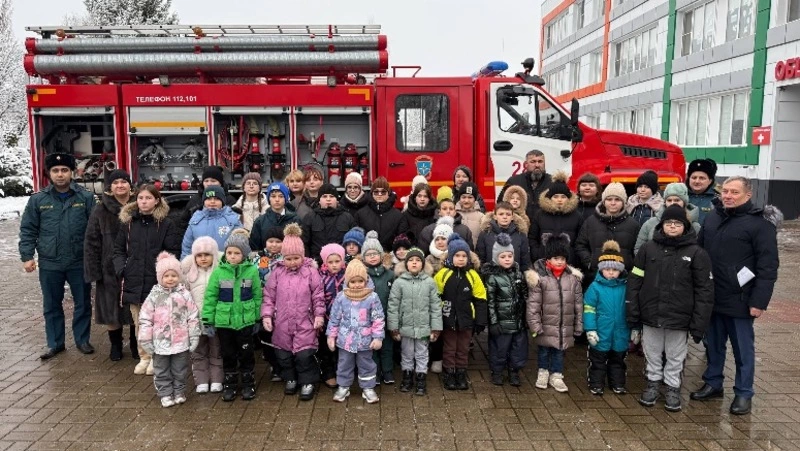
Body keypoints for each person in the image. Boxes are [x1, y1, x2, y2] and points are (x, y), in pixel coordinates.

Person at [690, 176, 781, 415]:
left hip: (741, 299)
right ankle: (713, 382)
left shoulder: (760, 224)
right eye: (725, 191)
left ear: (748, 195)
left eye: (734, 192)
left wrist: (759, 302)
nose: (728, 196)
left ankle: (743, 392)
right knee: (713, 345)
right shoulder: (713, 217)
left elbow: (768, 267)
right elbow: (699, 252)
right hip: (712, 296)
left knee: (742, 350)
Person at [628, 205, 714, 412]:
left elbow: (704, 290)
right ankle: (652, 383)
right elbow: (635, 281)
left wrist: (699, 323)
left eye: (677, 223)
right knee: (652, 351)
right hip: (651, 313)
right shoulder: (648, 249)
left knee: (676, 354)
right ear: (662, 225)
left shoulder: (696, 253)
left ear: (685, 226)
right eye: (668, 223)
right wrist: (633, 310)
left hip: (680, 317)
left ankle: (673, 387)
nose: (672, 226)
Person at [19, 153, 97, 360]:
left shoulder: (86, 198)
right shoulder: (38, 200)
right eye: (55, 170)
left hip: (78, 261)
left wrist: (95, 257)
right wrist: (27, 256)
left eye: (64, 170)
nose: (60, 174)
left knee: (83, 303)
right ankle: (55, 343)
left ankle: (82, 340)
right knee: (52, 304)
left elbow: (95, 231)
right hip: (50, 262)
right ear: (49, 173)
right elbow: (28, 230)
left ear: (72, 172)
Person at [114, 185, 182, 375]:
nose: (144, 202)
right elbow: (118, 250)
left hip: (156, 281)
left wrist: (164, 272)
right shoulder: (128, 223)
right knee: (140, 323)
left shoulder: (166, 224)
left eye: (148, 198)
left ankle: (157, 358)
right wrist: (122, 268)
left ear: (157, 200)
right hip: (133, 280)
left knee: (158, 322)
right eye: (140, 198)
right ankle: (144, 356)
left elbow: (172, 251)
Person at [262, 223, 326, 401]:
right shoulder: (277, 273)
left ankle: (307, 381)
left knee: (304, 354)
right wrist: (267, 315)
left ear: (302, 255)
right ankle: (290, 377)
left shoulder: (311, 272)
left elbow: (318, 296)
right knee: (284, 354)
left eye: (296, 258)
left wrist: (319, 315)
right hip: (282, 322)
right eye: (288, 258)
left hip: (305, 321)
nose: (292, 262)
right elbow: (269, 296)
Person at [202, 231, 262, 402]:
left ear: (244, 254)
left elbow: (257, 296)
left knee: (246, 353)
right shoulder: (219, 273)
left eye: (237, 253)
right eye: (229, 252)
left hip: (245, 321)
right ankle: (230, 383)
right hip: (225, 322)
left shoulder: (251, 271)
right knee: (228, 354)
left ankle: (248, 383)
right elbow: (210, 297)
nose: (232, 256)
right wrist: (208, 320)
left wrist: (257, 318)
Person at [84, 169, 135, 361]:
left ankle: (136, 343)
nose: (120, 185)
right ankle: (115, 345)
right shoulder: (100, 210)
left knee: (135, 307)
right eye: (115, 183)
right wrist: (94, 270)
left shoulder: (140, 205)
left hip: (135, 266)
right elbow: (91, 241)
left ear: (130, 185)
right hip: (109, 268)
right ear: (109, 188)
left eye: (124, 181)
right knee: (110, 308)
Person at [138, 252, 200, 408]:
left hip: (181, 342)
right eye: (166, 276)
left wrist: (194, 335)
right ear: (160, 277)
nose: (170, 279)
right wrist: (145, 339)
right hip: (160, 343)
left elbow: (192, 316)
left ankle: (179, 391)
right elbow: (145, 319)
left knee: (180, 369)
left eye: (174, 275)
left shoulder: (185, 295)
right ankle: (165, 393)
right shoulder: (154, 296)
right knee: (161, 370)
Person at [526, 234, 583, 393]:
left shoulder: (573, 279)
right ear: (548, 259)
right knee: (544, 351)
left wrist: (578, 325)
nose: (560, 261)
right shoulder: (540, 279)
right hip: (545, 325)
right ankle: (543, 372)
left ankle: (557, 375)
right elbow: (533, 305)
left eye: (563, 258)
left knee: (559, 352)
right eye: (556, 258)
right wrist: (535, 326)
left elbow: (578, 304)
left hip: (564, 326)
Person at [326, 259, 385, 404]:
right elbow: (334, 318)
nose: (357, 285)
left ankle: (368, 388)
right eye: (353, 282)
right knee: (344, 364)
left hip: (365, 341)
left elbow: (378, 318)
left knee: (366, 364)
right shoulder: (341, 297)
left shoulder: (372, 297)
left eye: (360, 281)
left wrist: (378, 337)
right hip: (345, 340)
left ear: (366, 281)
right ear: (347, 282)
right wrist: (331, 336)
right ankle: (343, 386)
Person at [434, 233, 487, 390]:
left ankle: (461, 372)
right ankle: (449, 372)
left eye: (464, 256)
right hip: (448, 318)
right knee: (449, 347)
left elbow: (480, 298)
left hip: (467, 319)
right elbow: (435, 297)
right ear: (451, 256)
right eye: (457, 256)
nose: (461, 259)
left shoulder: (472, 275)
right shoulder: (442, 274)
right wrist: (437, 318)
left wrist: (480, 320)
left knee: (463, 348)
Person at [388, 247, 442, 395]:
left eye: (418, 260)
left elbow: (435, 306)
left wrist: (436, 327)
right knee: (406, 353)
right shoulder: (399, 283)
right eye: (411, 260)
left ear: (423, 264)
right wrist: (394, 327)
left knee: (422, 353)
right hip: (405, 327)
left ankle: (421, 378)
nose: (414, 263)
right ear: (406, 264)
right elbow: (393, 306)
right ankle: (407, 377)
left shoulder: (429, 282)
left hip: (424, 327)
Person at [482, 233, 532, 387]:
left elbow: (525, 296)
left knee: (518, 349)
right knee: (499, 349)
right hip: (502, 323)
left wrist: (526, 317)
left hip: (518, 322)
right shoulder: (493, 277)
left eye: (510, 256)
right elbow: (490, 302)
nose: (507, 259)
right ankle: (497, 371)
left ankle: (514, 371)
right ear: (496, 258)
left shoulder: (518, 274)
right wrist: (493, 322)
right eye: (503, 257)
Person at [583, 240, 629, 396]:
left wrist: (635, 328)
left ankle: (618, 383)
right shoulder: (595, 287)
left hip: (620, 331)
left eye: (615, 270)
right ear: (601, 269)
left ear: (620, 270)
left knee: (618, 360)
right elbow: (589, 309)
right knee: (598, 360)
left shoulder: (625, 287)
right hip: (601, 330)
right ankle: (596, 384)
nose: (611, 273)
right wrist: (590, 329)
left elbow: (631, 308)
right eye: (607, 269)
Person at [575, 182, 640, 289]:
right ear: (604, 202)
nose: (613, 203)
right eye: (609, 199)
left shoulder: (633, 225)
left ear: (623, 202)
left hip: (623, 279)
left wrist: (629, 265)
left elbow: (638, 250)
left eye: (617, 199)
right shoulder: (591, 222)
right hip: (595, 278)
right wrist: (590, 262)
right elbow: (580, 245)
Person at [181, 236, 224, 394]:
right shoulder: (188, 276)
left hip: (215, 320)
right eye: (199, 255)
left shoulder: (220, 273)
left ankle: (217, 379)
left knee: (216, 350)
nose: (203, 258)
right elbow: (183, 298)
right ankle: (201, 381)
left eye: (207, 255)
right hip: (195, 322)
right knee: (198, 352)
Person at [361, 231, 397, 385]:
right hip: (369, 320)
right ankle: (374, 372)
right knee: (372, 347)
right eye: (368, 254)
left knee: (387, 346)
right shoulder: (363, 275)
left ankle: (387, 371)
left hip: (386, 317)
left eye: (375, 254)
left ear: (381, 255)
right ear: (363, 258)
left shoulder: (390, 275)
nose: (372, 257)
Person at [528, 171, 582, 264]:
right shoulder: (540, 214)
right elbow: (532, 238)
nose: (559, 200)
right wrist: (537, 254)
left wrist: (573, 255)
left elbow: (580, 241)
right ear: (550, 198)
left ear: (568, 198)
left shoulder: (576, 215)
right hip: (544, 261)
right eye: (555, 196)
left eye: (563, 197)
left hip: (568, 262)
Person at [634, 182, 701, 255]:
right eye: (669, 200)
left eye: (677, 200)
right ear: (665, 202)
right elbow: (639, 250)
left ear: (684, 202)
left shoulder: (695, 227)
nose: (672, 203)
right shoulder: (650, 224)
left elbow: (699, 253)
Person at [181, 185, 242, 259]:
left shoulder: (232, 218)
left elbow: (241, 244)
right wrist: (185, 263)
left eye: (216, 199)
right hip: (202, 263)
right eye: (209, 199)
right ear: (204, 201)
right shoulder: (196, 219)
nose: (212, 201)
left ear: (222, 201)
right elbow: (187, 247)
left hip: (226, 263)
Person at [301, 183, 357, 265]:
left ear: (337, 200)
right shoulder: (310, 217)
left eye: (331, 196)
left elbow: (354, 242)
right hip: (317, 264)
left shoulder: (347, 217)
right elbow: (304, 243)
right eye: (324, 196)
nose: (328, 199)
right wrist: (309, 262)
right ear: (319, 200)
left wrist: (348, 261)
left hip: (341, 264)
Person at [318, 243, 347, 389]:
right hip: (326, 317)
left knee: (343, 346)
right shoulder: (320, 277)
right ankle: (328, 372)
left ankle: (343, 372)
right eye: (330, 262)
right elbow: (317, 297)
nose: (334, 265)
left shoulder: (348, 275)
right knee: (326, 347)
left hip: (345, 318)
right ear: (325, 262)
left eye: (337, 261)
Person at [177, 165, 236, 235]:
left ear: (220, 183)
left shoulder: (229, 200)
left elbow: (235, 224)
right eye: (206, 181)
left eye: (213, 181)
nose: (209, 184)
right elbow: (183, 223)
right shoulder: (195, 200)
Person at [496, 150, 553, 220]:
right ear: (526, 164)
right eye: (533, 162)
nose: (537, 165)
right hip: (520, 225)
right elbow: (501, 204)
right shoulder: (513, 181)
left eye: (540, 161)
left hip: (545, 225)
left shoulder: (553, 182)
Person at [477, 201, 531, 271]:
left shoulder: (520, 234)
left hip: (514, 275)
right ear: (495, 216)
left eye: (508, 214)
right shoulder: (485, 234)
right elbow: (481, 259)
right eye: (501, 214)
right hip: (491, 275)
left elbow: (525, 260)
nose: (505, 217)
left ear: (512, 217)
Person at [354, 177, 403, 251]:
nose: (379, 194)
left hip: (390, 255)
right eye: (376, 192)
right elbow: (357, 239)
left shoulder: (398, 215)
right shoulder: (360, 214)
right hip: (368, 255)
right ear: (372, 193)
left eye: (383, 192)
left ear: (388, 194)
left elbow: (401, 239)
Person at [249, 182, 299, 252]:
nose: (277, 200)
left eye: (281, 196)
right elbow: (255, 247)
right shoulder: (260, 222)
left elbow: (300, 245)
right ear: (269, 199)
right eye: (273, 196)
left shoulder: (295, 220)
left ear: (286, 199)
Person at [686, 159, 719, 225]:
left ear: (710, 181)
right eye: (694, 178)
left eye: (702, 178)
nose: (697, 181)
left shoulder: (718, 198)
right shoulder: (680, 195)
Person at [455, 182, 484, 248]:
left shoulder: (481, 217)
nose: (466, 200)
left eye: (470, 197)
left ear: (475, 199)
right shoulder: (454, 214)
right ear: (459, 198)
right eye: (463, 197)